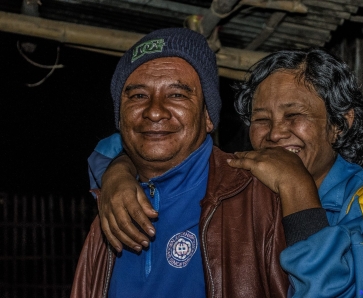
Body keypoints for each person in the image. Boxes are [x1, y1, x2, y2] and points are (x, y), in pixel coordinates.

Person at [90, 48, 363, 297]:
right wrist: (118, 171)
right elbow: (138, 150)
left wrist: (297, 188)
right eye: (262, 120)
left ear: (340, 123)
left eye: (295, 116)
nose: (275, 134)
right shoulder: (251, 184)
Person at [71, 28, 290, 298]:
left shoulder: (263, 200)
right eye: (138, 95)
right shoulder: (109, 212)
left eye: (177, 95)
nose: (153, 111)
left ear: (208, 116)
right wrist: (116, 172)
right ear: (120, 120)